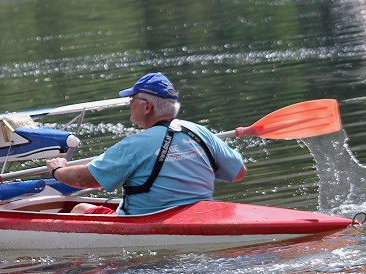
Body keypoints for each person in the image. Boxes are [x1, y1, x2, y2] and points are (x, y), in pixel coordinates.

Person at [45, 72, 247, 215]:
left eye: (132, 100)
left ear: (147, 106)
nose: (130, 105)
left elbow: (84, 179)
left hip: (146, 221)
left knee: (79, 208)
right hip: (200, 213)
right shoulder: (199, 131)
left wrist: (58, 170)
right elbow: (239, 173)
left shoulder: (134, 145)